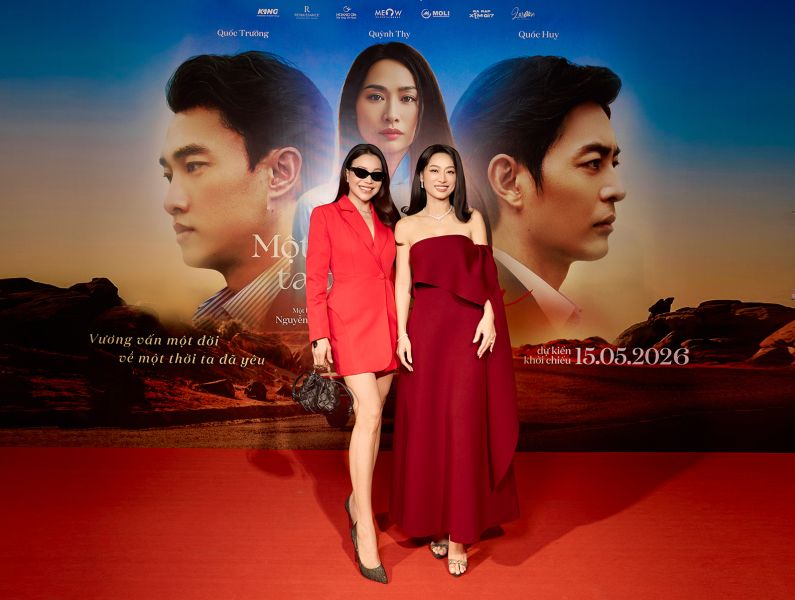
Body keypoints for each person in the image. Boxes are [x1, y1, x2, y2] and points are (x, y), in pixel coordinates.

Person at [390, 145, 519, 577]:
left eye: (450, 171)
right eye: (434, 170)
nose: (442, 178)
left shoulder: (472, 221)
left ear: (457, 178)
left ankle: (460, 534)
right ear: (421, 176)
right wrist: (402, 333)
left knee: (463, 426)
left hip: (467, 333)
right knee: (430, 427)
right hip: (425, 334)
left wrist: (490, 318)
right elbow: (403, 284)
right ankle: (438, 522)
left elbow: (487, 278)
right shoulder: (406, 226)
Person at [451, 56, 626, 344]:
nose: (617, 190)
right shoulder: (486, 318)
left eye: (613, 164)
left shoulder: (542, 315)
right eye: (593, 163)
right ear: (509, 181)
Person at [159, 51, 333, 333]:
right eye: (169, 176)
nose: (171, 202)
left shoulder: (333, 314)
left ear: (280, 173)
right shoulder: (208, 319)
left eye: (193, 166)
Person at [305, 144, 400, 584]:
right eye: (361, 171)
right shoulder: (325, 215)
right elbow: (314, 279)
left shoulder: (388, 222)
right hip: (348, 324)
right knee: (372, 413)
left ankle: (354, 501)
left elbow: (396, 277)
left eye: (376, 175)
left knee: (372, 421)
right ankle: (365, 528)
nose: (368, 180)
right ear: (347, 173)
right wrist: (319, 334)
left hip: (386, 325)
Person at [292, 42, 453, 241]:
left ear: (424, 109)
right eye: (376, 97)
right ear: (354, 105)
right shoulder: (316, 204)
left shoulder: (451, 200)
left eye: (407, 98)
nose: (391, 115)